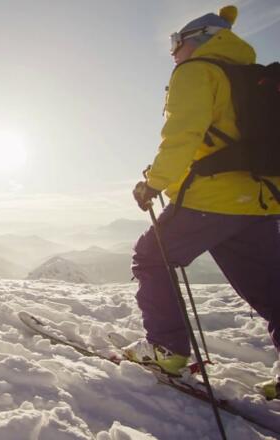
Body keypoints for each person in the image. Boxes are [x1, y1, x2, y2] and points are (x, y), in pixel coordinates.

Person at [128, 5, 280, 397]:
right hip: (262, 200)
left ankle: (167, 350)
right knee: (271, 288)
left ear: (202, 38)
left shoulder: (197, 72)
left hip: (213, 198)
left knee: (151, 255)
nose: (174, 52)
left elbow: (183, 134)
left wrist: (154, 182)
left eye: (177, 43)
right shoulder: (250, 76)